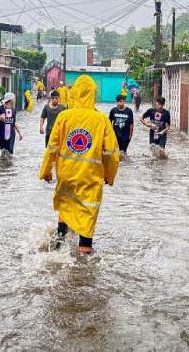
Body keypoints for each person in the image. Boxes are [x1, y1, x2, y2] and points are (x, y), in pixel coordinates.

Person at [39, 75, 120, 254]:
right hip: (90, 179)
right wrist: (109, 176)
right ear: (93, 94)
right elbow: (112, 153)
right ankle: (83, 266)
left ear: (74, 93)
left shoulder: (64, 116)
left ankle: (58, 248)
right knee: (87, 219)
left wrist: (45, 171)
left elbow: (52, 148)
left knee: (65, 207)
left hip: (66, 175)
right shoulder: (101, 120)